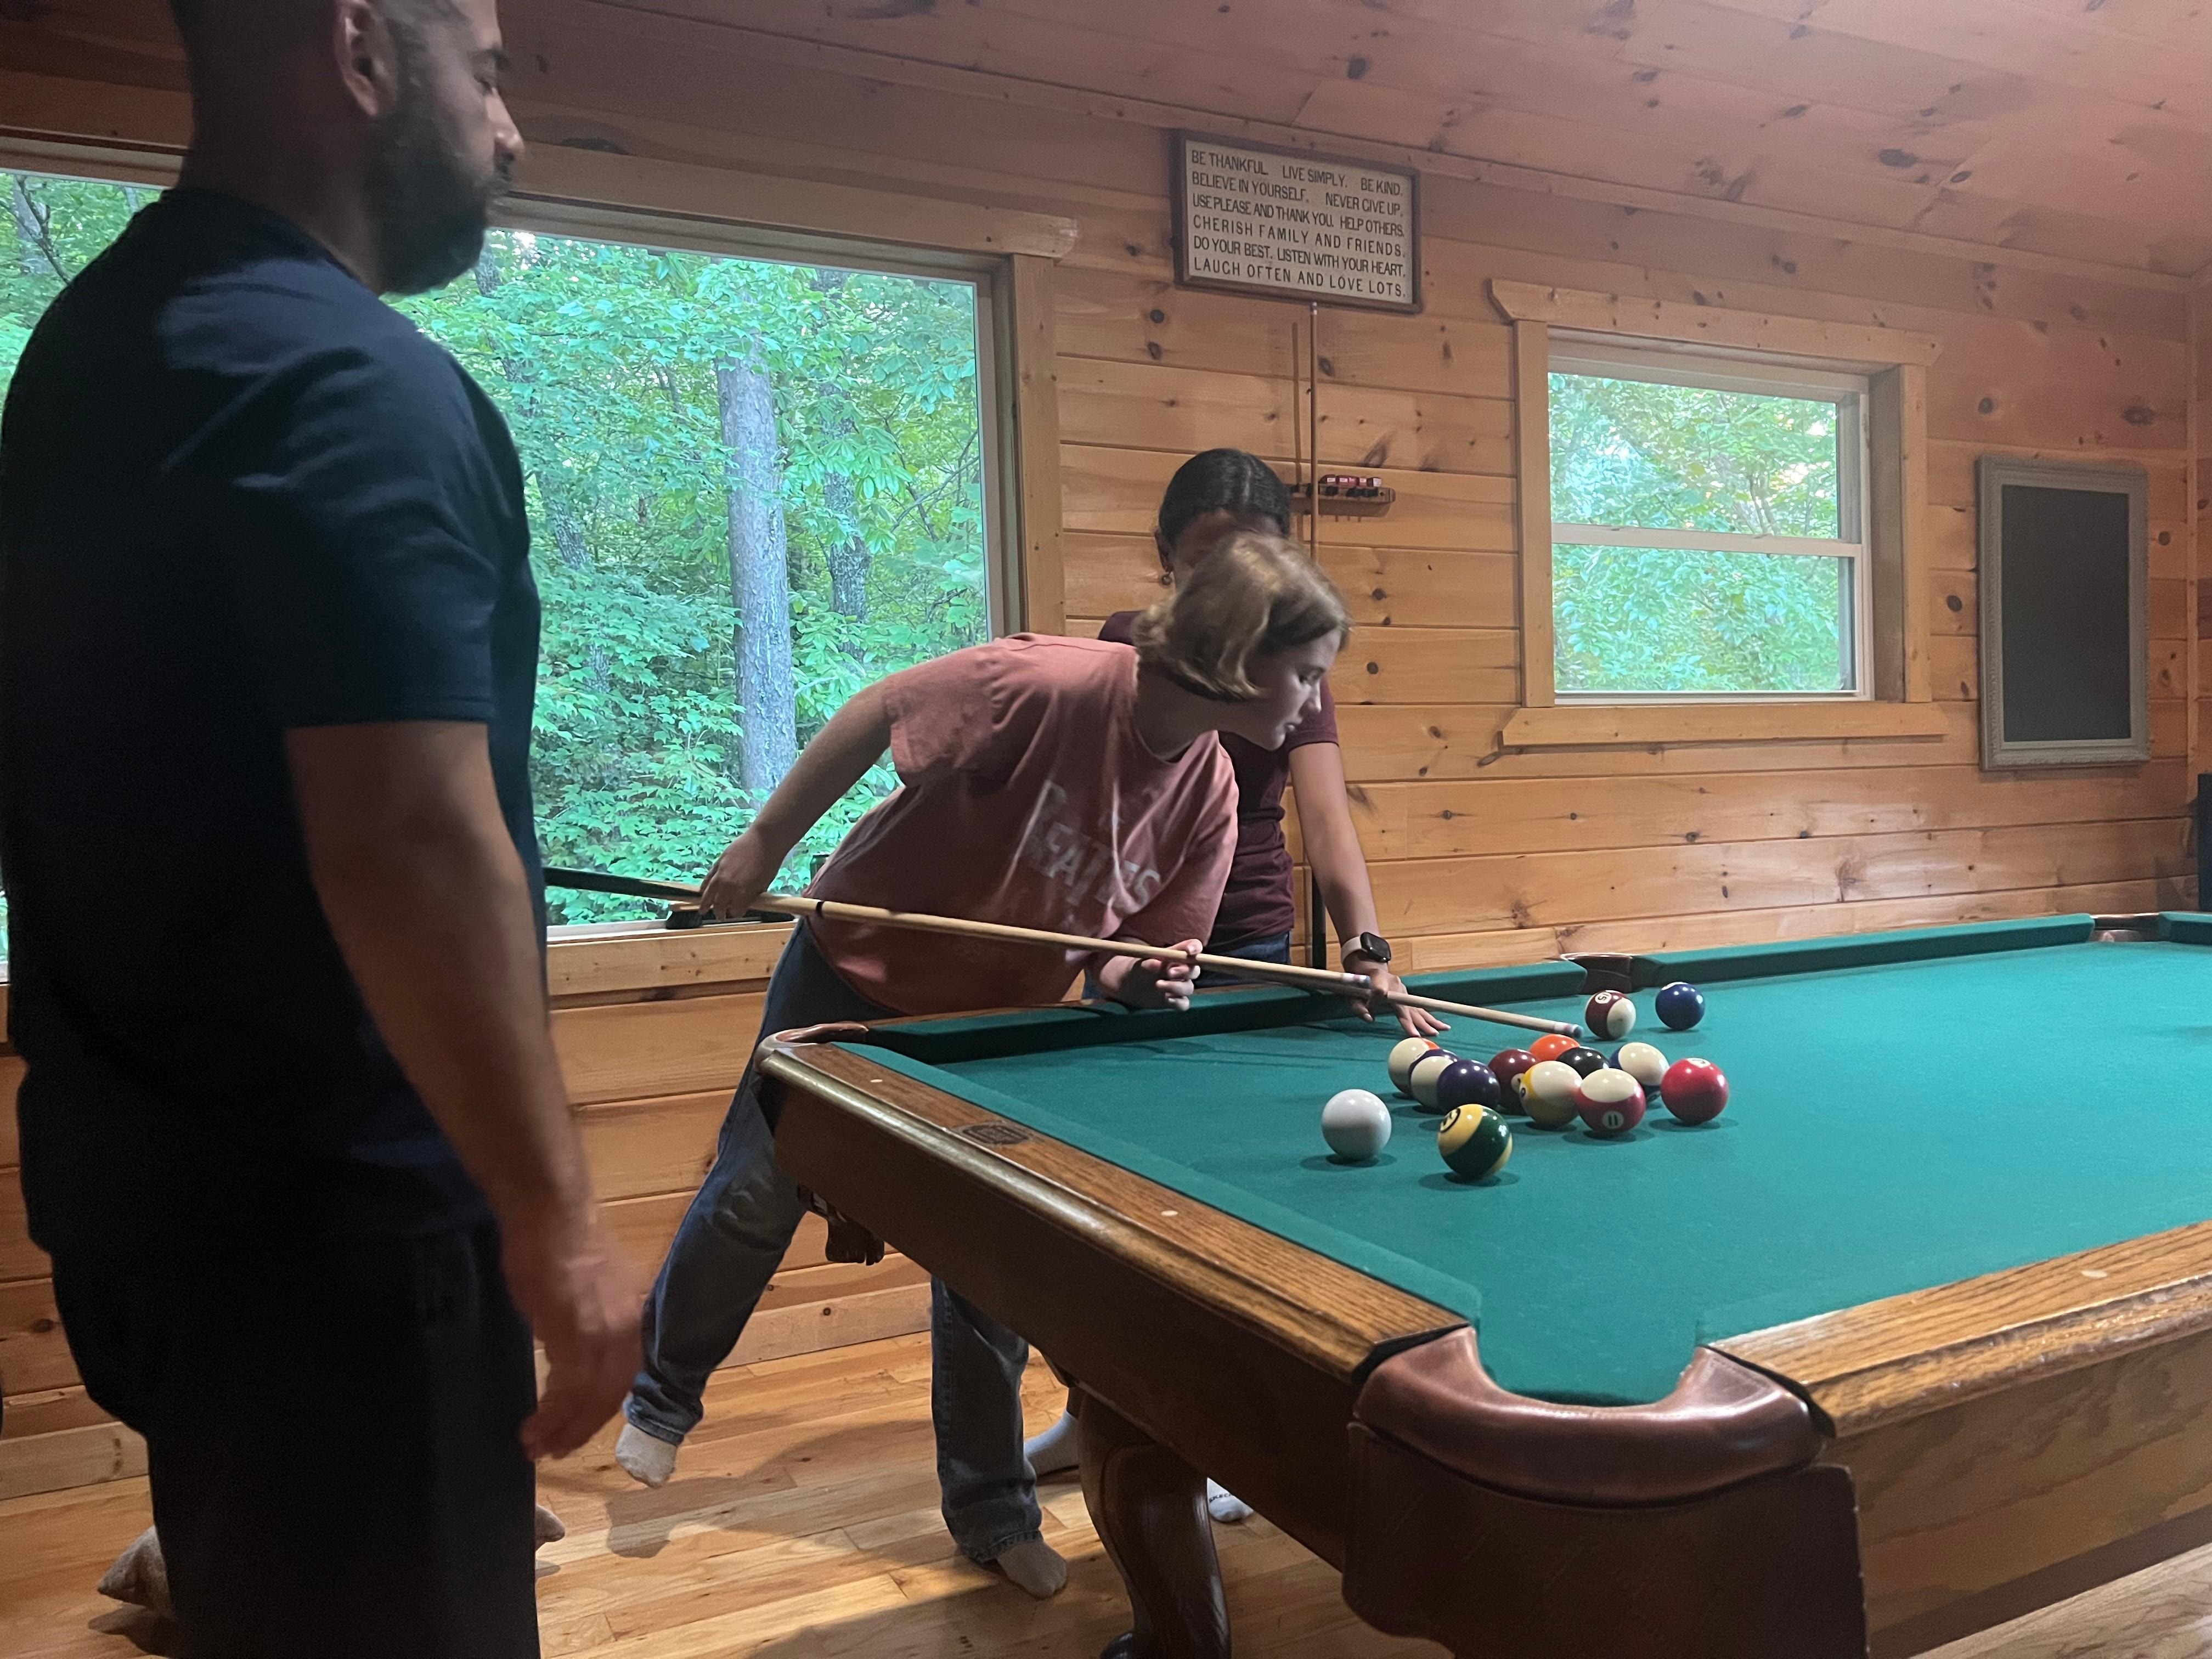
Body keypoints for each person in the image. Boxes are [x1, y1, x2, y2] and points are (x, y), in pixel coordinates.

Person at [0, 2, 640, 1655]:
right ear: (363, 52)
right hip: (345, 1251)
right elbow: (410, 840)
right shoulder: (349, 384)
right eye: (488, 73)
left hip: (149, 1203)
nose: (510, 132)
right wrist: (561, 1234)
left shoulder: (95, 346)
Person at [611, 532, 1351, 1601]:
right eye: (1308, 673)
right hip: (850, 973)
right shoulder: (1045, 683)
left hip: (993, 1025)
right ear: (1242, 660)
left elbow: (1120, 969)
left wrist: (1143, 985)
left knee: (992, 1269)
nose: (1314, 701)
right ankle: (662, 1399)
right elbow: (878, 711)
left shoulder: (1211, 801)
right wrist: (764, 846)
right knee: (754, 1193)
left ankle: (993, 1510)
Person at [1021, 449, 1443, 1520]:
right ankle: (1101, 1408)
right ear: (1167, 560)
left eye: (1254, 558)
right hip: (1127, 942)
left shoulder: (1298, 664)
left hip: (1243, 937)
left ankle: (1210, 1436)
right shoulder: (1123, 646)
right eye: (1208, 558)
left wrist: (1371, 952)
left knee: (1226, 1203)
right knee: (1111, 1196)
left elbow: (1329, 823)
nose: (1228, 583)